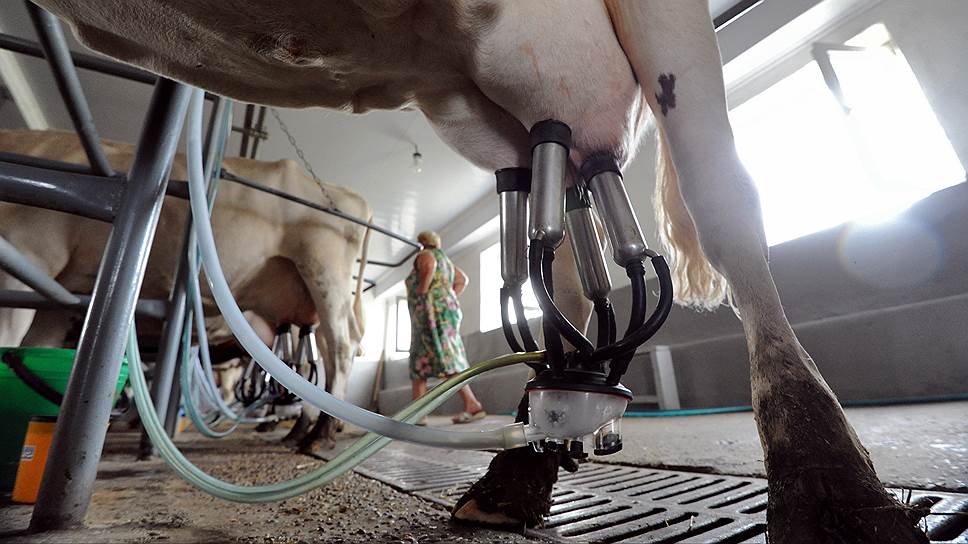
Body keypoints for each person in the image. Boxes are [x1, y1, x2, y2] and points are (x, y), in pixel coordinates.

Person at [406, 230, 485, 424]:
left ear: (422, 243)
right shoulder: (447, 262)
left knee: (421, 362)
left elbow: (429, 266)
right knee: (447, 358)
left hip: (429, 317)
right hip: (445, 316)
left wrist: (423, 291)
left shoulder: (426, 255)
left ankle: (419, 414)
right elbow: (462, 280)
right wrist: (447, 298)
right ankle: (470, 404)